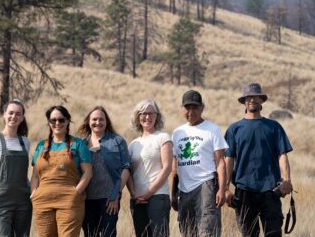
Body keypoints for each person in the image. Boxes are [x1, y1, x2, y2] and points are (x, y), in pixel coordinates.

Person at [224, 83, 294, 237]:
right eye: (248, 97)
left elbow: (282, 155)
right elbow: (229, 160)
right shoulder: (234, 129)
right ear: (244, 101)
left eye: (256, 96)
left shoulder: (274, 127)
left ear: (261, 100)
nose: (252, 100)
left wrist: (287, 180)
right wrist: (225, 188)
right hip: (244, 192)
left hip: (271, 190)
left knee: (274, 234)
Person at [170, 90, 229, 237]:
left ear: (202, 108)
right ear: (182, 109)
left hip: (206, 186)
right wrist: (173, 194)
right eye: (187, 107)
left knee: (207, 231)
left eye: (195, 107)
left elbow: (221, 162)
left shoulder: (212, 129)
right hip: (183, 190)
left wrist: (222, 189)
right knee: (187, 231)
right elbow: (174, 165)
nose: (191, 111)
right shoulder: (177, 133)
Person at [30, 105, 93, 237]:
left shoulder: (78, 144)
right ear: (49, 122)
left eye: (61, 120)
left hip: (69, 201)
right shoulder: (41, 145)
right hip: (42, 202)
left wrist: (76, 193)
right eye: (53, 120)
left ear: (68, 120)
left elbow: (88, 173)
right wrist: (34, 194)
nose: (57, 123)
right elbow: (35, 175)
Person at [0, 99, 32, 237]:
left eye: (18, 114)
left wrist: (31, 193)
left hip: (23, 202)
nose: (14, 116)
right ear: (4, 114)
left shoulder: (25, 141)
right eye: (11, 113)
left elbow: (24, 174)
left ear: (22, 118)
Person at [77, 106, 131, 237]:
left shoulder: (117, 141)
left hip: (109, 199)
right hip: (87, 200)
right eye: (94, 119)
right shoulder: (81, 144)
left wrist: (116, 194)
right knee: (90, 234)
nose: (98, 122)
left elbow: (126, 168)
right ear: (88, 122)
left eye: (101, 119)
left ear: (106, 122)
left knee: (109, 234)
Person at [126, 99, 173, 237]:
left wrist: (149, 192)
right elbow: (128, 173)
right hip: (137, 199)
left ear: (157, 116)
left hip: (157, 197)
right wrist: (134, 193)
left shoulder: (163, 137)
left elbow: (167, 168)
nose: (148, 117)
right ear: (137, 116)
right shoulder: (133, 144)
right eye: (144, 113)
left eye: (151, 113)